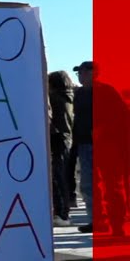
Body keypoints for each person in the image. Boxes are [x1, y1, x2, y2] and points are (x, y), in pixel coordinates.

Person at [73, 61, 126, 235]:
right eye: (78, 73)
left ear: (93, 73)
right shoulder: (79, 93)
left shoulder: (107, 91)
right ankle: (97, 220)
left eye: (83, 72)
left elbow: (121, 116)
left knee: (111, 185)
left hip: (107, 145)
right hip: (84, 144)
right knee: (89, 185)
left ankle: (117, 223)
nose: (80, 75)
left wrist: (103, 129)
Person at [48, 70, 76, 227]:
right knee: (61, 176)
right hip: (65, 139)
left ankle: (61, 213)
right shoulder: (68, 98)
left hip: (58, 139)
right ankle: (62, 211)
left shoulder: (55, 99)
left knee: (57, 177)